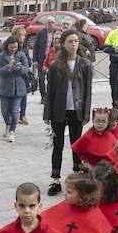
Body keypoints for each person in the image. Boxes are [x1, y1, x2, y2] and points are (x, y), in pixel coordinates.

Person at [43, 30, 92, 195]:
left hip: (76, 111)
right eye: (70, 41)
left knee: (76, 145)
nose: (74, 44)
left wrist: (86, 114)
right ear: (63, 44)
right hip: (58, 110)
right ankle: (55, 179)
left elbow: (88, 91)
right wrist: (46, 114)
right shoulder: (55, 65)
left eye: (76, 41)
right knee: (57, 145)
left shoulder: (85, 64)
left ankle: (78, 177)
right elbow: (50, 92)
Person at [0, 31, 31, 142]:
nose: (13, 49)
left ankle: (12, 130)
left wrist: (19, 68)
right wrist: (8, 67)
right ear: (7, 46)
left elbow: (26, 69)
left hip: (18, 88)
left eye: (15, 47)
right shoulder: (2, 55)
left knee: (15, 110)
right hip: (5, 87)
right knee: (5, 110)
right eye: (11, 47)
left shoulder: (21, 55)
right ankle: (8, 124)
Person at [32, 16, 56, 100]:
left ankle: (50, 96)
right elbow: (36, 47)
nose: (51, 24)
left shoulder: (56, 33)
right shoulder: (41, 33)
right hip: (41, 59)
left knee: (51, 79)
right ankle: (43, 96)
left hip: (52, 60)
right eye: (49, 23)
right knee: (41, 78)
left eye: (52, 23)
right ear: (46, 24)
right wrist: (34, 60)